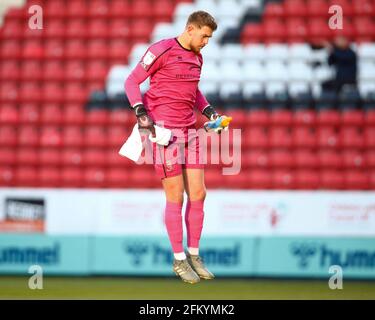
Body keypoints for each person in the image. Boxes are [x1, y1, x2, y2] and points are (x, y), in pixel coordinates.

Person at [125, 11, 230, 284]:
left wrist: (209, 113)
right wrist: (140, 111)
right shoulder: (161, 50)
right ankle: (179, 259)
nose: (207, 41)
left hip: (191, 131)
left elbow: (192, 90)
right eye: (204, 36)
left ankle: (194, 254)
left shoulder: (197, 57)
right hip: (165, 134)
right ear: (190, 29)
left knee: (199, 192)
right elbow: (131, 81)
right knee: (177, 196)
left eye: (210, 37)